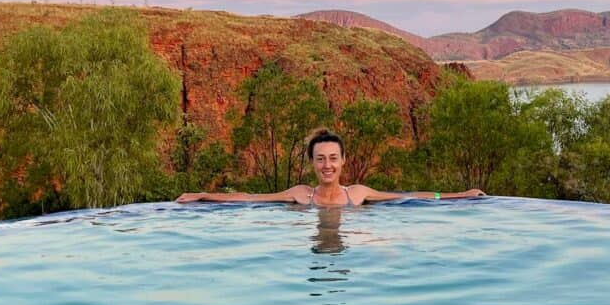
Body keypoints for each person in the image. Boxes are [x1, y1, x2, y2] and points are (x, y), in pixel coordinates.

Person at [175, 129, 486, 206]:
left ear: (343, 161)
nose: (327, 165)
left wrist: (461, 194)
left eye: (333, 158)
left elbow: (409, 196)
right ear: (312, 162)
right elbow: (251, 198)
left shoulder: (358, 194)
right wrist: (203, 194)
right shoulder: (301, 195)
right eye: (320, 158)